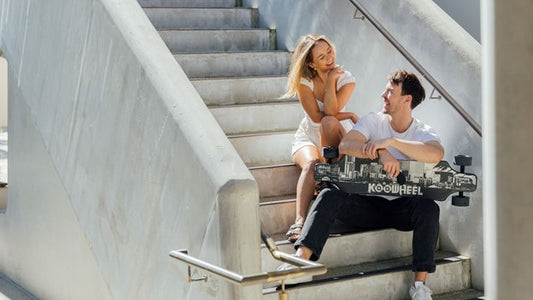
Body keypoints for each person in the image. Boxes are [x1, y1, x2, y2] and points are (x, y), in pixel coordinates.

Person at [287, 70, 444, 300]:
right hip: (366, 206)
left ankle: (419, 286)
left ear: (406, 99)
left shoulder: (421, 131)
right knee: (329, 194)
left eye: (390, 91)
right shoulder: (374, 120)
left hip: (401, 209)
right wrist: (380, 151)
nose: (383, 95)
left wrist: (390, 142)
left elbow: (435, 153)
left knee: (429, 208)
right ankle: (300, 260)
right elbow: (347, 144)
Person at [282, 34, 359, 242]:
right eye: (322, 57)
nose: (329, 58)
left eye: (329, 52)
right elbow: (316, 117)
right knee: (312, 164)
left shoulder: (345, 78)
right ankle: (299, 221)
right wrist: (350, 115)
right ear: (311, 63)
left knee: (330, 122)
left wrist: (332, 79)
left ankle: (326, 181)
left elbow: (331, 112)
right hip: (309, 135)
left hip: (333, 133)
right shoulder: (304, 82)